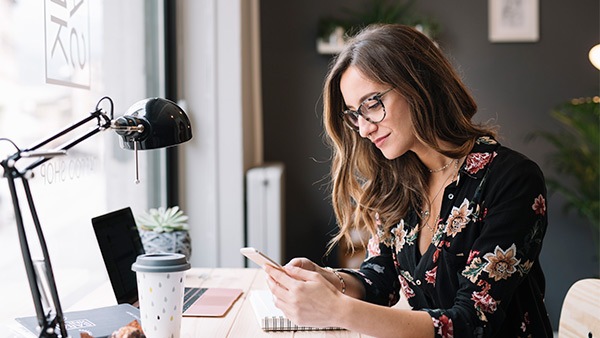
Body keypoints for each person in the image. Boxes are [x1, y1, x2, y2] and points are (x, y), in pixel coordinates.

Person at [264, 23, 552, 338]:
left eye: (371, 105)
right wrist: (330, 281)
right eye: (354, 114)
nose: (363, 128)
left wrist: (336, 308)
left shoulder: (512, 180)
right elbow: (379, 283)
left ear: (418, 84)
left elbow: (472, 324)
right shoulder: (397, 183)